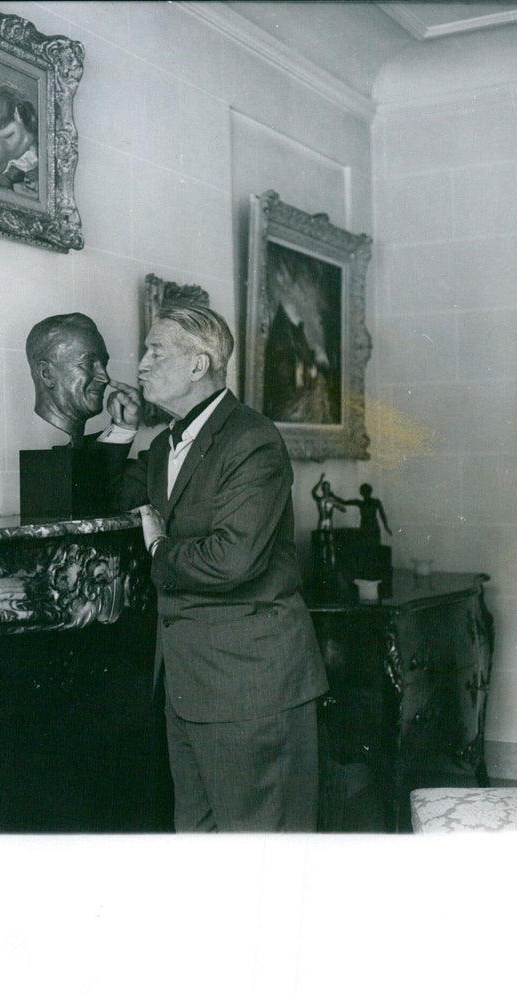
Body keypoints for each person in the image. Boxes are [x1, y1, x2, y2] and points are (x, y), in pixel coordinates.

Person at [103, 305, 328, 832]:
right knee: (200, 847)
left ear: (199, 364)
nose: (139, 365)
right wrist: (121, 430)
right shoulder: (164, 445)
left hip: (251, 690)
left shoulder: (252, 440)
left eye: (155, 352)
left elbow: (231, 560)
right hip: (188, 687)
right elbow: (111, 504)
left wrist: (159, 550)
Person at [25, 313, 111, 447]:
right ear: (46, 374)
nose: (105, 378)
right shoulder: (36, 445)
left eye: (104, 364)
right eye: (88, 364)